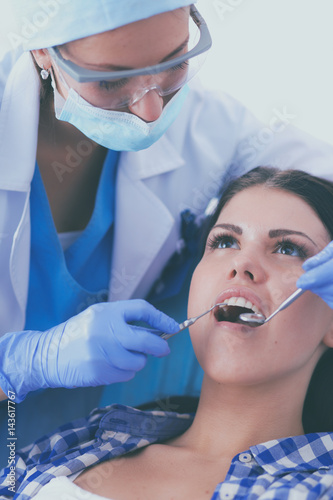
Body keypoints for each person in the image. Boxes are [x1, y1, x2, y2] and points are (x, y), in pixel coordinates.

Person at [1, 0, 333, 464]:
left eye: (174, 64)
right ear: (41, 50)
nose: (152, 110)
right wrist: (24, 363)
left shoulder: (212, 129)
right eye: (112, 80)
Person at [1, 166, 333, 500]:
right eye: (225, 241)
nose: (242, 263)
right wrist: (21, 366)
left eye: (288, 249)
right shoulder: (88, 439)